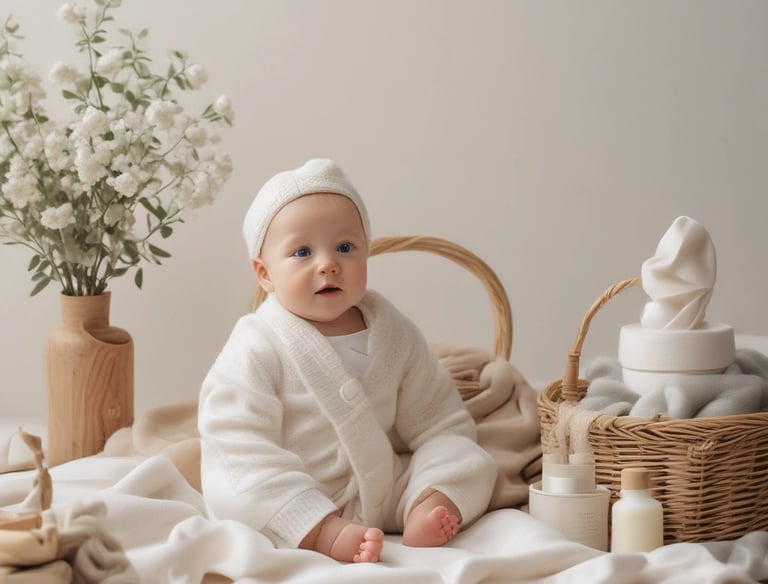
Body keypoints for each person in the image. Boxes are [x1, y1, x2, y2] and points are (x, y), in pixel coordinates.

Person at [198, 159, 497, 563]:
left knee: (465, 454)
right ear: (265, 274)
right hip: (298, 490)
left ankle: (427, 505)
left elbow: (436, 416)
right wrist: (308, 514)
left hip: (385, 486)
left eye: (345, 247)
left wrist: (434, 474)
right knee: (240, 475)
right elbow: (235, 437)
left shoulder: (392, 330)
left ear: (366, 253)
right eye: (302, 252)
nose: (328, 263)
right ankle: (322, 532)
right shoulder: (256, 343)